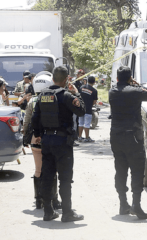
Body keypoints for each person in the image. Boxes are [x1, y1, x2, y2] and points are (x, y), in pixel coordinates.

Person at [32, 66, 86, 222]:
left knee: (47, 176)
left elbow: (36, 119)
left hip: (47, 141)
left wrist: (38, 135)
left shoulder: (42, 95)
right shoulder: (67, 96)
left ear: (53, 79)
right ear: (67, 79)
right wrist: (76, 93)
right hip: (63, 143)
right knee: (65, 178)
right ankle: (67, 213)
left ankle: (48, 211)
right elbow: (81, 111)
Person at [109, 66, 147, 219]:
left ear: (117, 78)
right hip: (133, 137)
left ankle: (123, 204)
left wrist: (131, 85)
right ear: (130, 77)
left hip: (116, 136)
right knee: (137, 171)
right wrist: (137, 86)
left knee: (120, 169)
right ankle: (136, 204)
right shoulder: (135, 91)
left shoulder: (112, 91)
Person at [23, 72, 61, 210]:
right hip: (50, 138)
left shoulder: (32, 101)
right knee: (53, 170)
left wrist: (24, 135)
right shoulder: (53, 98)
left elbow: (26, 121)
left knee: (38, 170)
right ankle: (54, 200)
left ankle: (38, 200)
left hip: (35, 139)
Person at [78, 76, 98, 143]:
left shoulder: (81, 88)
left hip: (81, 109)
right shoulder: (94, 90)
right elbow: (94, 101)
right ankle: (87, 138)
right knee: (87, 124)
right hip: (88, 109)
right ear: (94, 82)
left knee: (80, 123)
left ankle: (79, 137)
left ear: (87, 81)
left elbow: (78, 96)